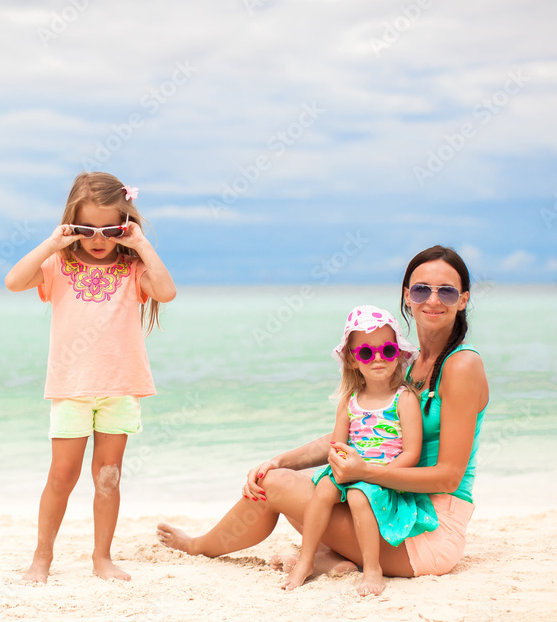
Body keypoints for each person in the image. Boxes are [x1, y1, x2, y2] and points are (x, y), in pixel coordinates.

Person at [158, 245, 488, 583]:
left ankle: (199, 546)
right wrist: (280, 460)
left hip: (426, 530)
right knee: (281, 478)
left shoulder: (461, 365)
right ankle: (331, 560)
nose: (432, 300)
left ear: (462, 300)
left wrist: (365, 472)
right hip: (390, 503)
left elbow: (448, 477)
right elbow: (361, 432)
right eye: (422, 289)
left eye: (446, 291)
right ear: (407, 296)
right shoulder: (408, 360)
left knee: (278, 487)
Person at [6, 171, 176, 583]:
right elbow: (13, 282)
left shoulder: (133, 269)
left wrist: (141, 243)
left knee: (108, 476)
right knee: (61, 475)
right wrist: (53, 241)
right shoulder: (58, 265)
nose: (98, 238)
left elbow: (166, 291)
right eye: (86, 229)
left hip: (120, 387)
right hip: (72, 387)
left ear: (125, 225)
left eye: (109, 229)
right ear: (71, 224)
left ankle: (102, 557)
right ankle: (42, 558)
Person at [282, 306, 436, 595]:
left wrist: (377, 475)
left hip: (386, 475)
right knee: (324, 490)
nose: (377, 358)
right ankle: (306, 560)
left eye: (387, 350)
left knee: (357, 493)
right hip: (350, 469)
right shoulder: (350, 401)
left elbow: (411, 454)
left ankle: (373, 569)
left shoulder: (404, 399)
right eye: (366, 353)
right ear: (353, 360)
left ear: (399, 354)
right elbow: (338, 446)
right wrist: (340, 466)